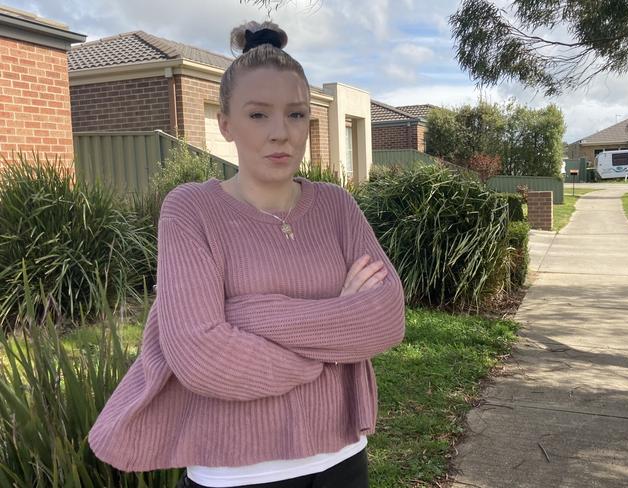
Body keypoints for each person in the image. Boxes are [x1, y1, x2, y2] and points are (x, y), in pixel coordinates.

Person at [88, 20, 406, 488]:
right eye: (258, 115)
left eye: (296, 115)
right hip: (236, 474)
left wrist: (244, 315)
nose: (281, 133)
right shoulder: (191, 210)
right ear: (226, 123)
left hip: (344, 460)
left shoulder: (337, 206)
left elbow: (385, 318)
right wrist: (336, 330)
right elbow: (200, 355)